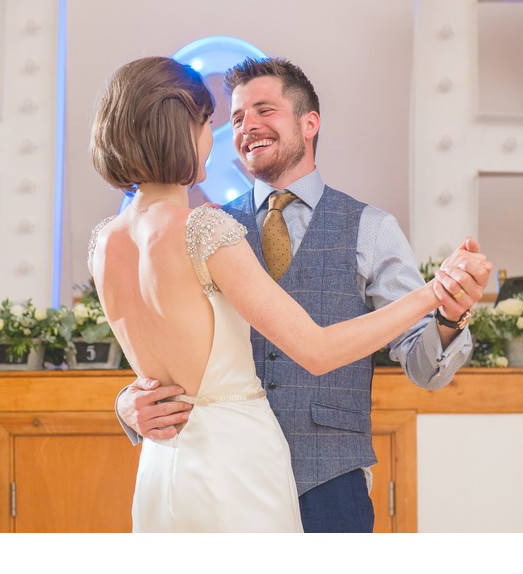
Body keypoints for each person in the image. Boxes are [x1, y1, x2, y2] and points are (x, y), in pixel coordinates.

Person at [101, 56, 492, 532]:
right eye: (236, 117)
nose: (246, 127)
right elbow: (168, 346)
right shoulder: (204, 228)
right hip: (230, 470)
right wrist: (128, 403)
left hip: (329, 481)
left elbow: (424, 368)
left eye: (264, 110)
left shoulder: (371, 228)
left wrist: (447, 319)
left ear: (310, 123)